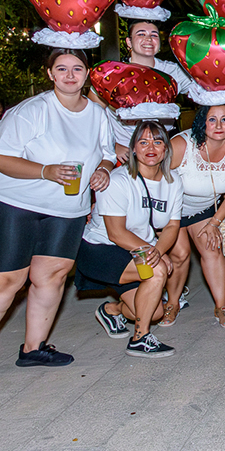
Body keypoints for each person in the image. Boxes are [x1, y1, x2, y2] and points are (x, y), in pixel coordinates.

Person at [0, 49, 115, 389]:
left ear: (87, 73)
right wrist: (45, 171)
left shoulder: (98, 115)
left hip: (66, 209)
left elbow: (107, 154)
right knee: (4, 282)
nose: (69, 75)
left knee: (51, 276)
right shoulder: (32, 111)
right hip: (12, 204)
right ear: (50, 74)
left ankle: (34, 348)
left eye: (77, 68)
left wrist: (104, 171)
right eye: (61, 68)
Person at [76, 122, 182, 357]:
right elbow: (116, 233)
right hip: (101, 249)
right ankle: (140, 338)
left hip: (135, 251)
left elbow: (173, 226)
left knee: (153, 312)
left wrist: (160, 251)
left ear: (166, 148)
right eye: (143, 142)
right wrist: (154, 254)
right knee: (157, 272)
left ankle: (111, 310)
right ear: (133, 148)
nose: (150, 148)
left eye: (157, 141)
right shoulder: (118, 180)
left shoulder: (173, 181)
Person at [168, 105, 225, 328]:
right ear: (201, 123)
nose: (218, 125)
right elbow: (153, 179)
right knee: (180, 254)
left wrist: (215, 222)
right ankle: (173, 303)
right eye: (212, 119)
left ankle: (221, 305)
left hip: (204, 209)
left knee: (212, 246)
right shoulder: (181, 145)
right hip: (171, 210)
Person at [88, 19, 195, 163]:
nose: (148, 39)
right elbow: (90, 116)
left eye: (154, 35)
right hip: (124, 157)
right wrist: (113, 145)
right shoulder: (112, 74)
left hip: (159, 156)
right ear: (129, 42)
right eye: (141, 34)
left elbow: (203, 93)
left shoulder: (173, 71)